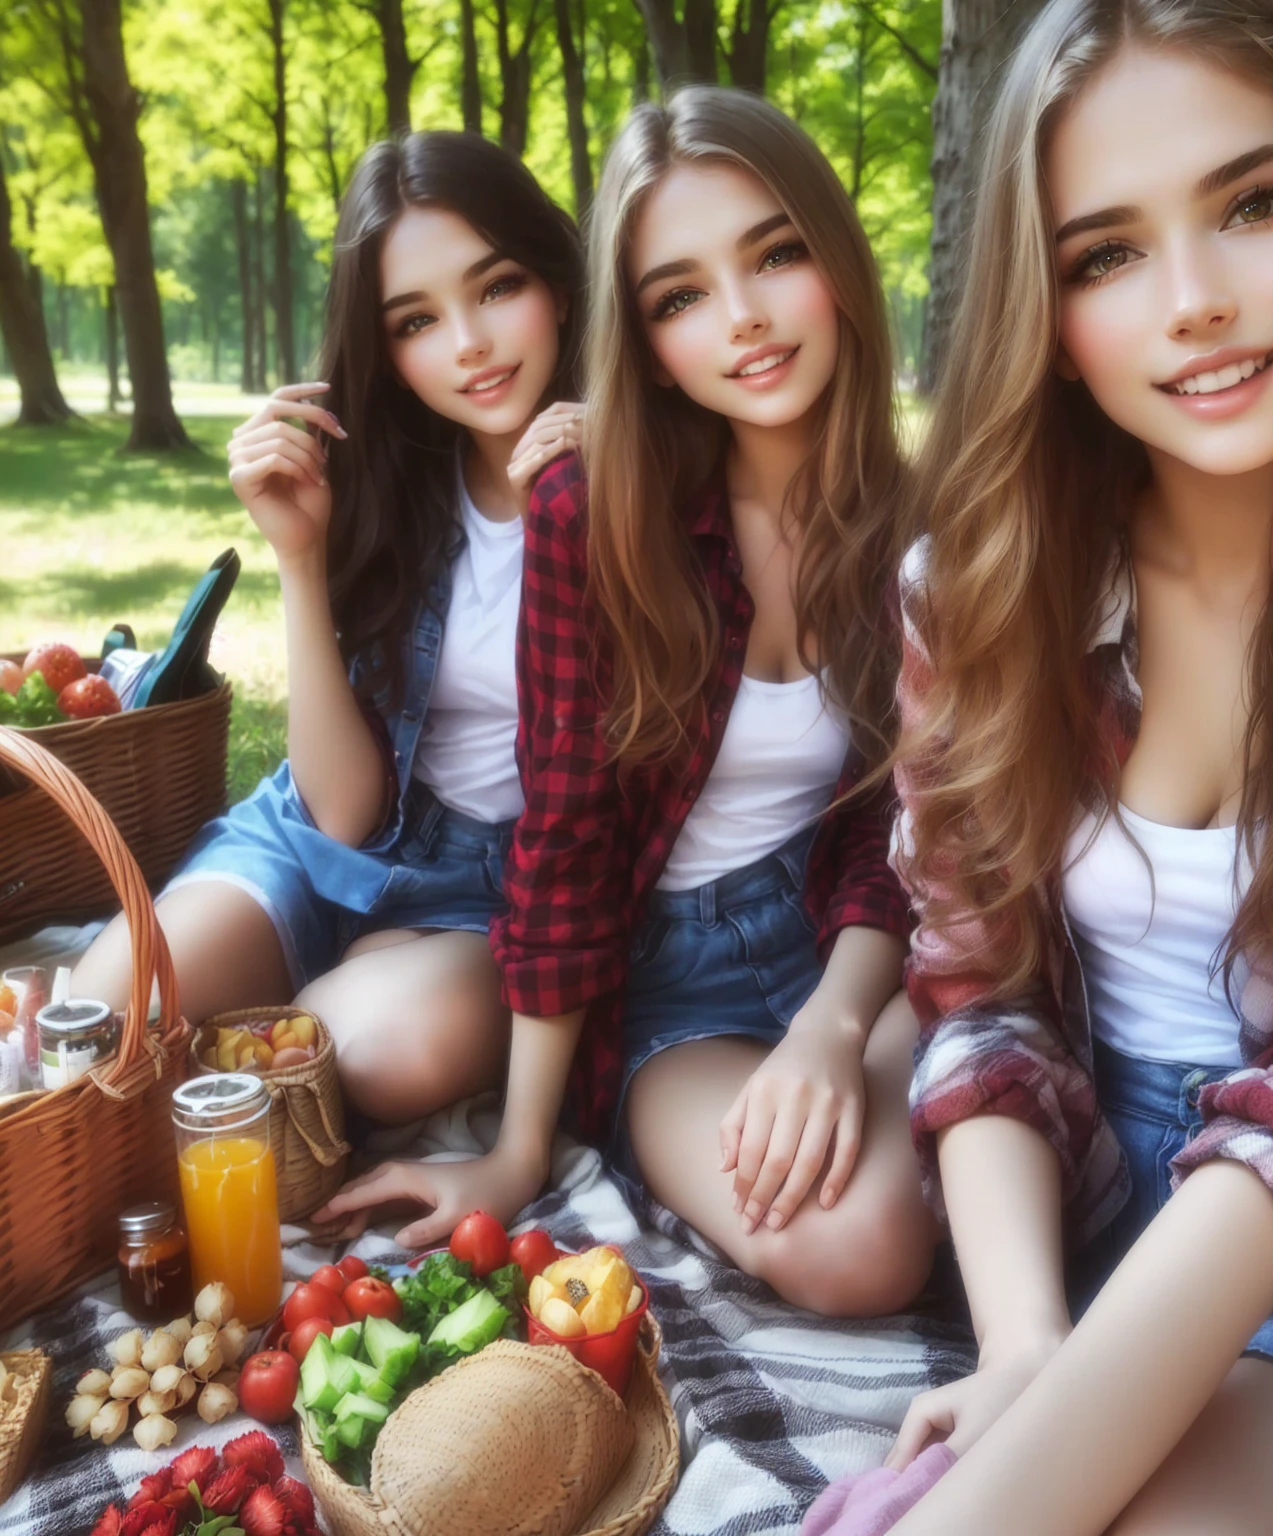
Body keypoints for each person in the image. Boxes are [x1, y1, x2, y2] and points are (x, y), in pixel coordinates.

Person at [872, 0, 1273, 1529]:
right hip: (1199, 1256)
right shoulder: (973, 605)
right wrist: (1029, 1342)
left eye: (1256, 204)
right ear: (1048, 315)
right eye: (1106, 253)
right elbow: (980, 999)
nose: (1193, 300)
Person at [319, 88, 938, 1318]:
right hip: (673, 984)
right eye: (680, 296)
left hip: (861, 945)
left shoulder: (922, 522)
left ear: (841, 258)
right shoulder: (589, 511)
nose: (745, 320)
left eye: (777, 254)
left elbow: (901, 819)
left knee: (957, 1151)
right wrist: (519, 1146)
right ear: (644, 337)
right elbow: (567, 841)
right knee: (859, 1245)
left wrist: (835, 1021)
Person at [73, 132, 586, 1126]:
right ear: (385, 351)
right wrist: (300, 557)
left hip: (496, 889)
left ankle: (361, 975)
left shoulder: (634, 482)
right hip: (327, 835)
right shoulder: (395, 491)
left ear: (558, 285)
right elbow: (340, 811)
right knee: (103, 1017)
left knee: (350, 1056)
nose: (468, 343)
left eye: (497, 287)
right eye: (416, 320)